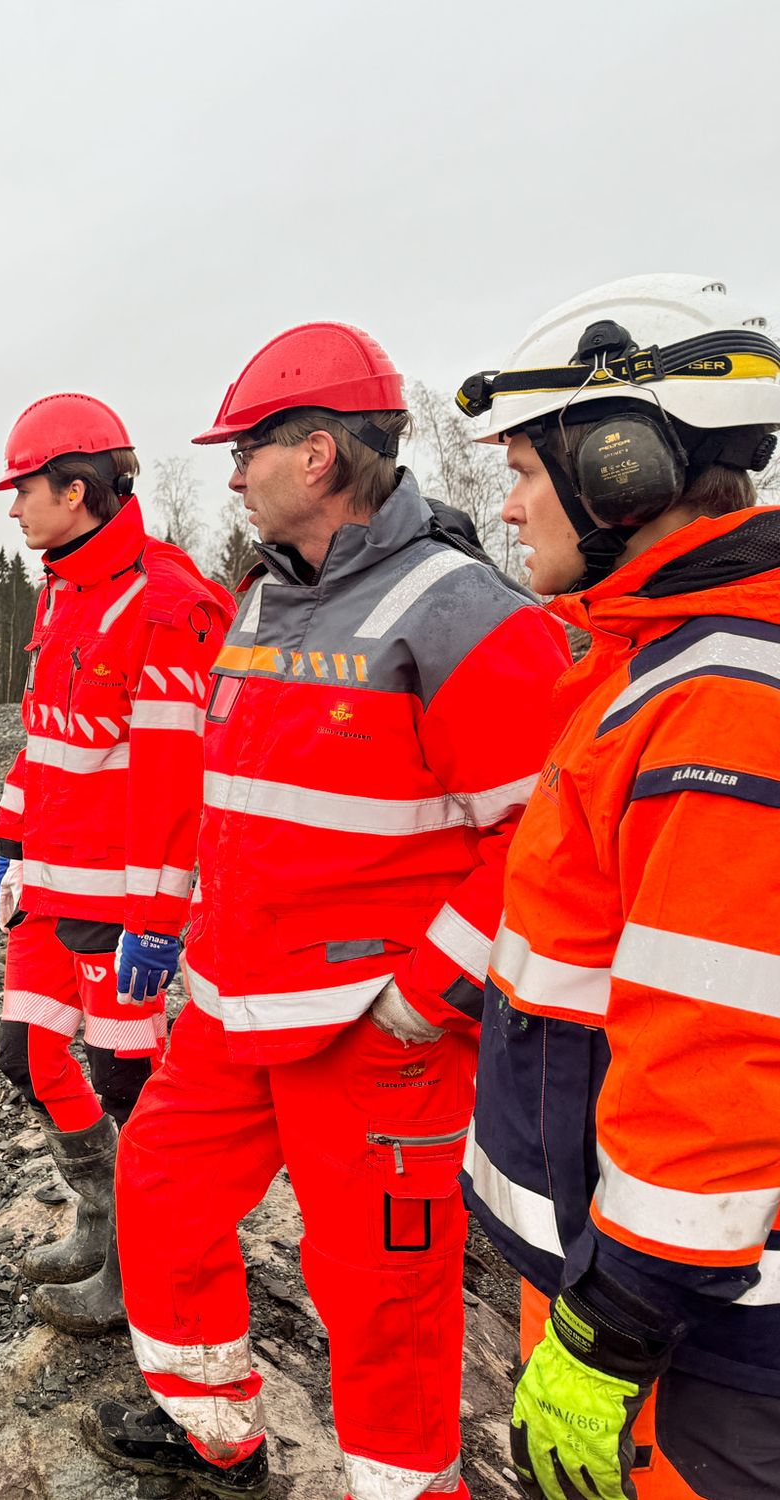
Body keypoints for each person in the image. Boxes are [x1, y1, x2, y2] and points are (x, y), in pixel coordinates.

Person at [82, 324, 572, 1499]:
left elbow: (544, 840)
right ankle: (215, 1434)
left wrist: (425, 996)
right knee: (156, 1190)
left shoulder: (461, 614)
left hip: (374, 1029)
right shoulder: (263, 605)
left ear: (315, 454)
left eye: (244, 452)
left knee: (378, 1291)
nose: (232, 475)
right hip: (232, 1003)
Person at [454, 273, 780, 1500]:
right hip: (632, 1299)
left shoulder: (719, 702)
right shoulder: (652, 663)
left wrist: (610, 1334)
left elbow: (713, 1053)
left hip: (694, 1348)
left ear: (618, 466)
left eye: (525, 471)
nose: (508, 502)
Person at [0, 392, 232, 1335]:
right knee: (29, 1059)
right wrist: (9, 840)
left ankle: (139, 1271)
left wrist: (157, 924)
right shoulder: (63, 588)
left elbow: (179, 787)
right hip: (45, 889)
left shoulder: (169, 606)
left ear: (77, 490)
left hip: (119, 914)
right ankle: (100, 1215)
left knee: (129, 1089)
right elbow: (43, 740)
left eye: (25, 490)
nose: (15, 509)